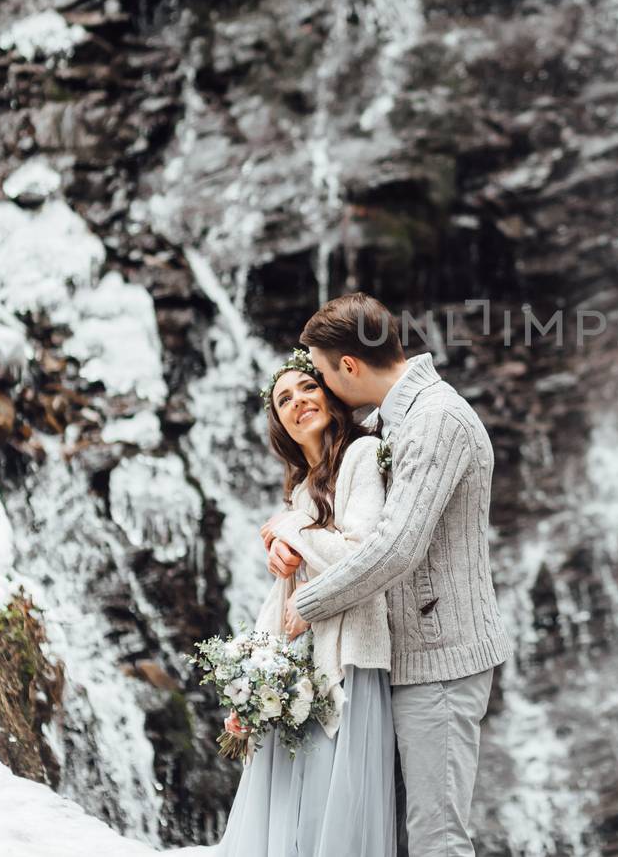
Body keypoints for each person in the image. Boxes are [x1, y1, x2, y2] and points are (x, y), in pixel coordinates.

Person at [286, 292, 512, 857]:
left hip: (439, 659)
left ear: (349, 367)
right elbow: (341, 511)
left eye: (318, 373)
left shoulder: (438, 419)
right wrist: (285, 528)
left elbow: (397, 547)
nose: (318, 386)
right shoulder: (386, 418)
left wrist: (309, 602)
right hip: (394, 660)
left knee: (436, 841)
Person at [214, 350, 396, 857]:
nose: (299, 402)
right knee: (291, 809)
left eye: (307, 388)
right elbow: (286, 596)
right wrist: (249, 681)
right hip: (299, 664)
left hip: (348, 658)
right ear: (282, 428)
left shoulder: (361, 456)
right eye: (284, 400)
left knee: (328, 806)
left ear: (331, 395)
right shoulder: (299, 490)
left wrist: (289, 529)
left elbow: (362, 554)